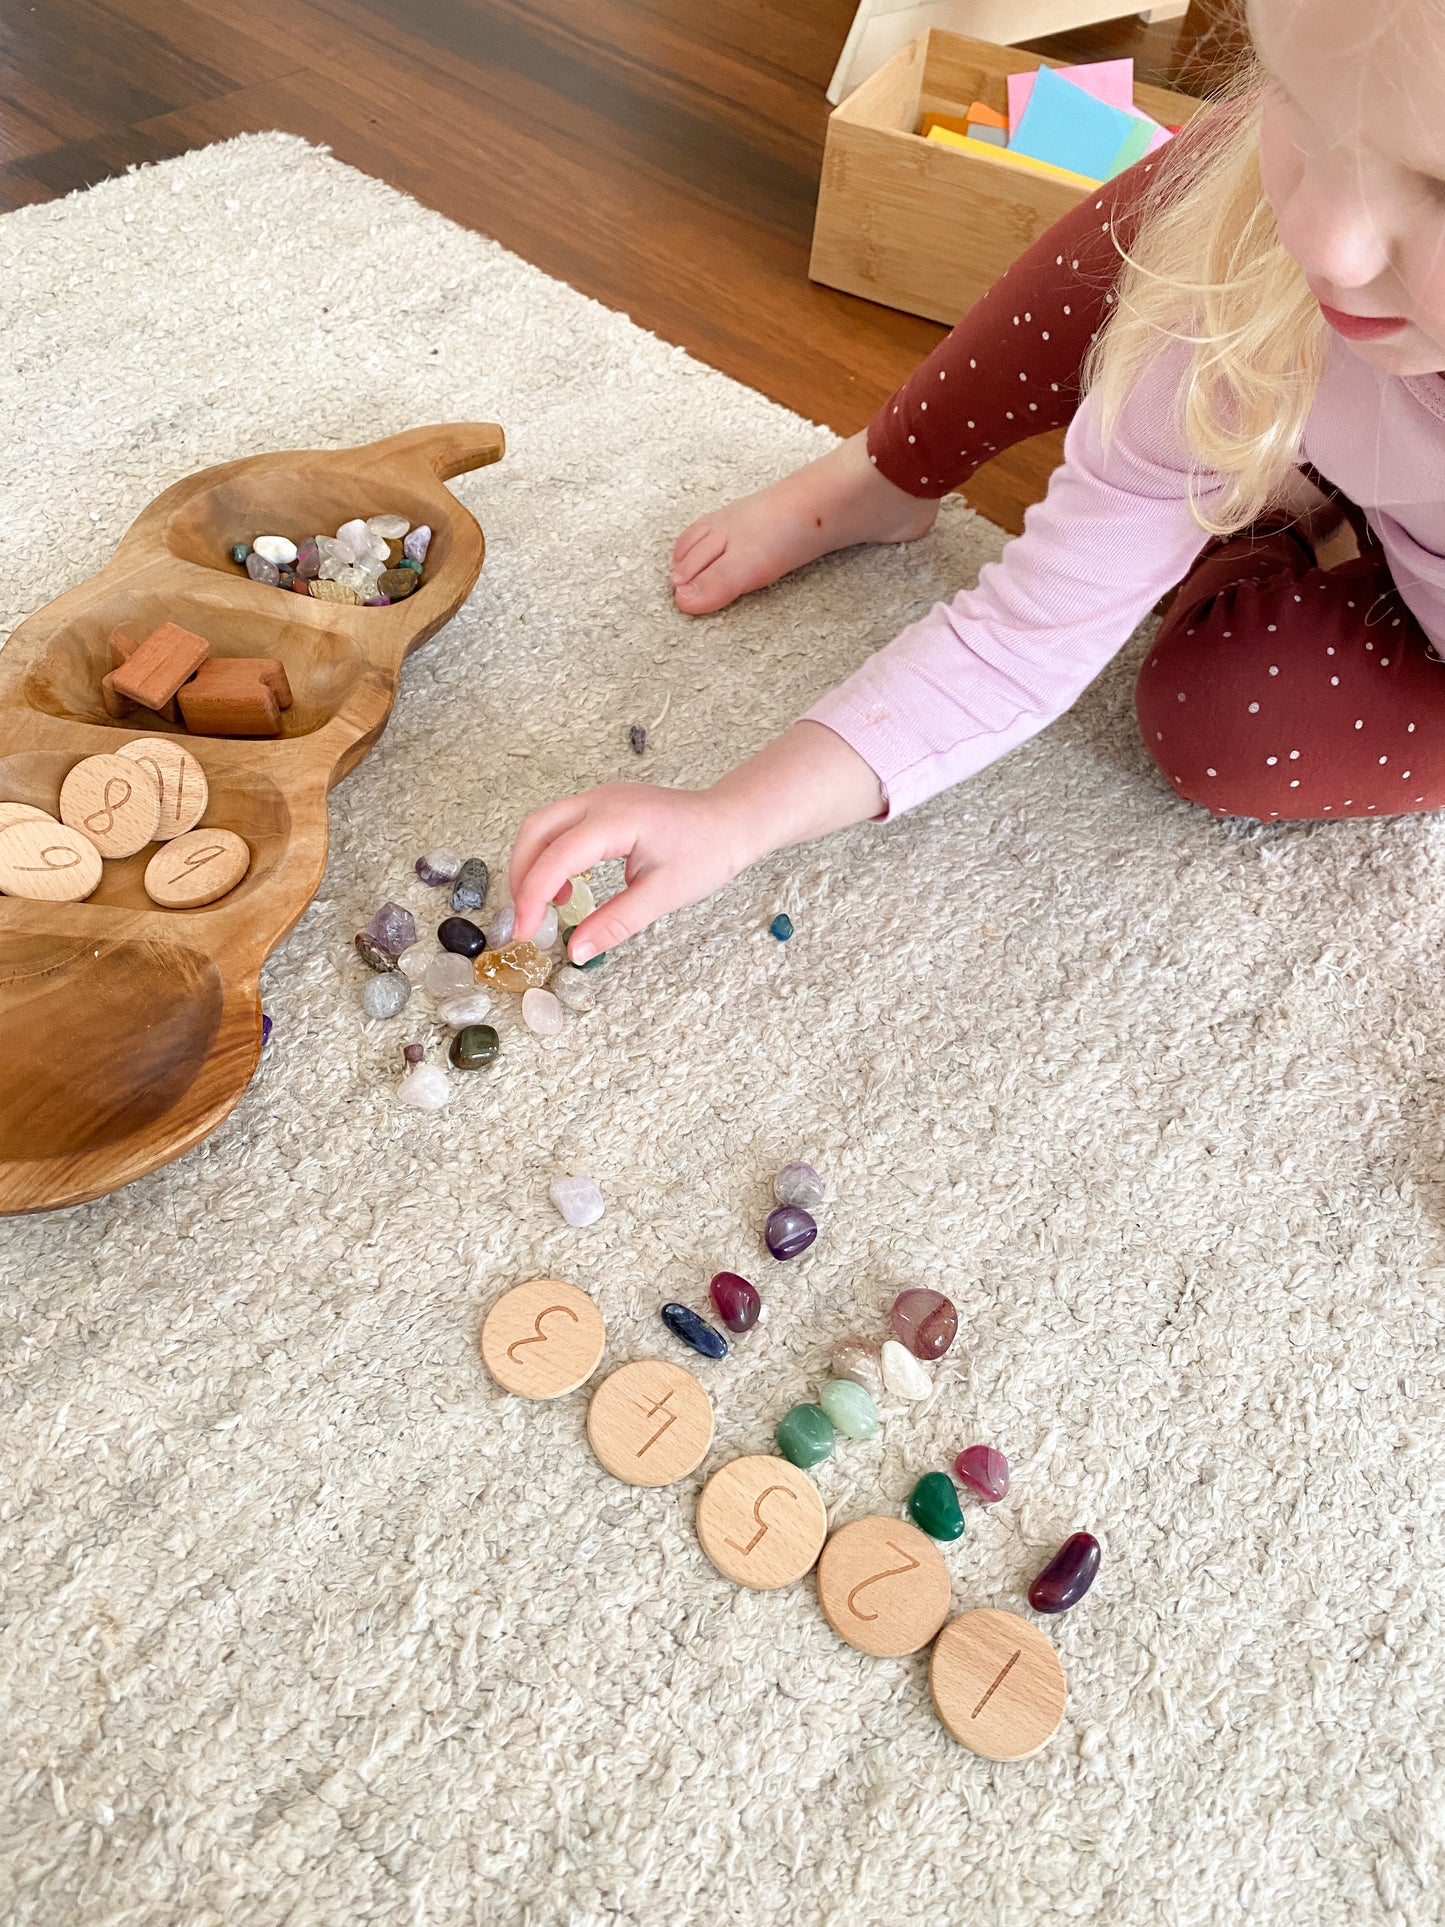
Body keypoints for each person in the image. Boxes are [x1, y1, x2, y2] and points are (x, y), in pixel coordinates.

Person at [511, 0, 1445, 964]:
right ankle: (890, 469)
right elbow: (1019, 638)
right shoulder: (1260, 253)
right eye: (1295, 102)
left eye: (1440, 187)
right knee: (1191, 202)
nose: (1318, 240)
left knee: (1225, 723)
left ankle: (1261, 505)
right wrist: (731, 817)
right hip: (1337, 412)